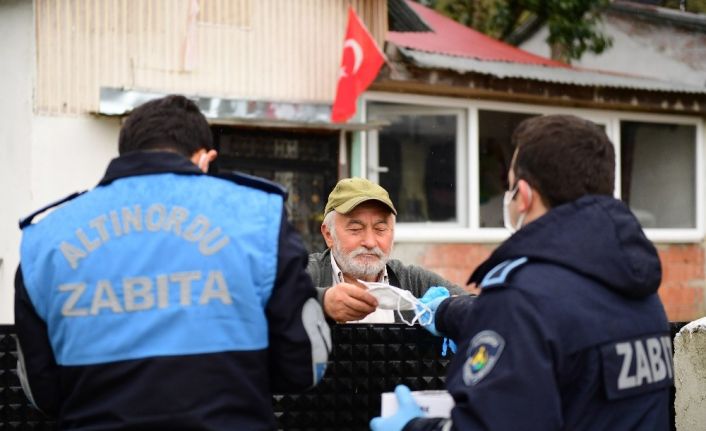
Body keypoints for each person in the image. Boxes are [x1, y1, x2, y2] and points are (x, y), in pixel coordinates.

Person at [14, 95, 331, 430]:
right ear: (205, 159)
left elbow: (42, 393)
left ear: (125, 155)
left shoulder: (46, 239)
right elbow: (303, 366)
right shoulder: (259, 218)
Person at [372, 115, 672, 430]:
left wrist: (414, 427)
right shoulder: (638, 288)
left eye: (510, 186)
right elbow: (567, 325)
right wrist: (449, 312)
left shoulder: (522, 297)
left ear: (524, 196)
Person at [307, 177, 466, 323]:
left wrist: (450, 309)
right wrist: (322, 302)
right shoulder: (306, 274)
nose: (370, 242)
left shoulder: (413, 282)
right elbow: (283, 303)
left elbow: (481, 309)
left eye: (380, 229)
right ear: (328, 234)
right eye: (355, 229)